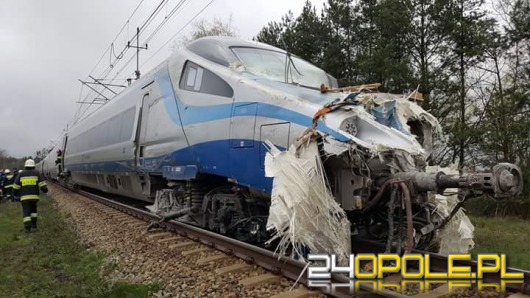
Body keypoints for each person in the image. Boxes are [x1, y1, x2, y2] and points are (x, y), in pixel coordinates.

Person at [12, 159, 48, 233]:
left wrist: (15, 195)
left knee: (26, 212)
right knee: (33, 210)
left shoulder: (21, 174)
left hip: (24, 198)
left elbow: (15, 186)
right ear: (33, 165)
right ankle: (34, 224)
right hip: (34, 197)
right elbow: (42, 184)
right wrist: (45, 190)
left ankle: (27, 228)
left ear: (25, 165)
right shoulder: (37, 173)